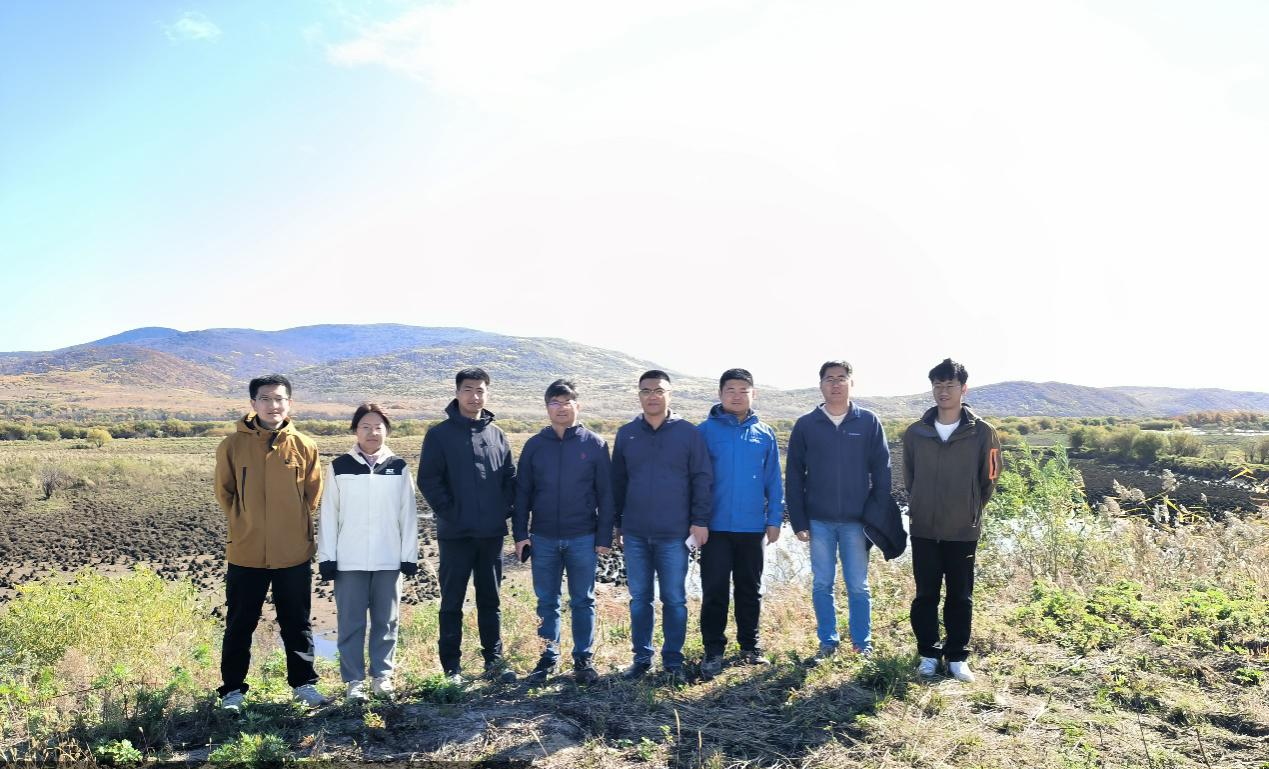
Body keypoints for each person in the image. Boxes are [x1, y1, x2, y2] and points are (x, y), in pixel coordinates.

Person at [213, 374, 327, 712]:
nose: (272, 405)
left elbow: (312, 496)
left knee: (297, 622)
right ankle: (233, 691)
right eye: (265, 398)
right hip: (245, 552)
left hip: (293, 551)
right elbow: (225, 493)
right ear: (253, 403)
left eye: (279, 399)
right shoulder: (231, 445)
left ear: (289, 403)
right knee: (239, 624)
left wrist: (289, 525)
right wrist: (246, 522)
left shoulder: (305, 446)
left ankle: (304, 685)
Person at [786, 361, 892, 663]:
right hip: (818, 520)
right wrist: (798, 521)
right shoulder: (806, 425)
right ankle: (828, 643)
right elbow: (794, 476)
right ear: (820, 384)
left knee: (858, 585)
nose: (835, 384)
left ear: (851, 383)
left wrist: (876, 515)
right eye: (829, 379)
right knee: (822, 583)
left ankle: (862, 644)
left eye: (841, 378)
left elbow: (882, 471)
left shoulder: (868, 421)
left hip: (857, 522)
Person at [903, 358, 1001, 683]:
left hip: (963, 530)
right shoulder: (916, 432)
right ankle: (929, 655)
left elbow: (989, 478)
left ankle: (957, 657)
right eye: (938, 385)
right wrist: (921, 505)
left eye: (950, 385)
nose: (943, 391)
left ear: (963, 389)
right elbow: (910, 478)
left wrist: (970, 508)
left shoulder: (983, 432)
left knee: (960, 596)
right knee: (925, 596)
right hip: (924, 529)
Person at [417, 367, 518, 684]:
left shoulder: (496, 434)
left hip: (491, 534)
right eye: (468, 389)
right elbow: (428, 480)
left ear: (487, 393)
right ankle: (452, 669)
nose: (475, 396)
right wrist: (451, 512)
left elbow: (510, 477)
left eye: (480, 390)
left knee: (491, 600)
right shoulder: (439, 435)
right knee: (452, 602)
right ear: (457, 392)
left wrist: (502, 510)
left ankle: (494, 662)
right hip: (456, 534)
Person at [612, 370, 712, 683]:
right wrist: (617, 524)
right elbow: (618, 483)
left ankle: (673, 661)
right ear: (638, 395)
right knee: (640, 599)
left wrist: (699, 521)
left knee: (674, 599)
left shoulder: (688, 433)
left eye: (658, 390)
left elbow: (702, 478)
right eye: (646, 391)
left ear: (670, 394)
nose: (652, 396)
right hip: (636, 533)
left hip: (675, 534)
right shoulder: (627, 434)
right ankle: (642, 659)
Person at [513, 379, 615, 685]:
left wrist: (604, 537)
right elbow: (522, 493)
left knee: (583, 600)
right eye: (554, 403)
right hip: (542, 537)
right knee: (547, 601)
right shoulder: (534, 445)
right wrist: (520, 534)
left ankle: (583, 658)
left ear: (577, 406)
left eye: (566, 402)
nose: (560, 408)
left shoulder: (594, 444)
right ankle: (548, 657)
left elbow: (606, 494)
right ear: (547, 408)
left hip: (583, 536)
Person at [317, 403, 419, 702]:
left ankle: (382, 677)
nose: (372, 432)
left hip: (389, 559)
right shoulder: (339, 466)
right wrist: (327, 557)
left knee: (386, 622)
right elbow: (329, 514)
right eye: (365, 427)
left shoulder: (399, 467)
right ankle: (354, 682)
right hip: (349, 561)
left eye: (378, 427)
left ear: (386, 431)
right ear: (355, 430)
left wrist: (409, 556)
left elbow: (408, 515)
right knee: (351, 624)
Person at [697, 368, 783, 680]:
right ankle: (713, 650)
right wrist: (697, 521)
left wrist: (774, 519)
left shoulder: (765, 433)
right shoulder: (704, 432)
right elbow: (696, 480)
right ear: (720, 394)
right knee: (715, 590)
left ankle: (750, 646)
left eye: (743, 390)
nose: (737, 395)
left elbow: (774, 480)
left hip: (752, 527)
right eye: (730, 390)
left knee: (750, 589)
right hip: (715, 527)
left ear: (753, 394)